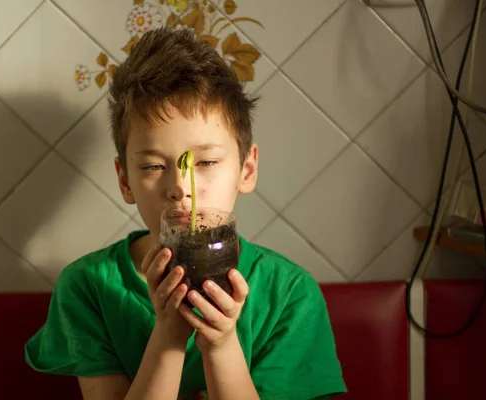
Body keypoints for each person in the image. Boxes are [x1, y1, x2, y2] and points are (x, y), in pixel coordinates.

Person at [24, 27, 347, 400]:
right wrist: (168, 334)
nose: (181, 186)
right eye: (152, 167)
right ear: (125, 181)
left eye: (206, 161)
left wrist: (221, 344)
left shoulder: (289, 294)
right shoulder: (88, 287)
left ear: (247, 169)